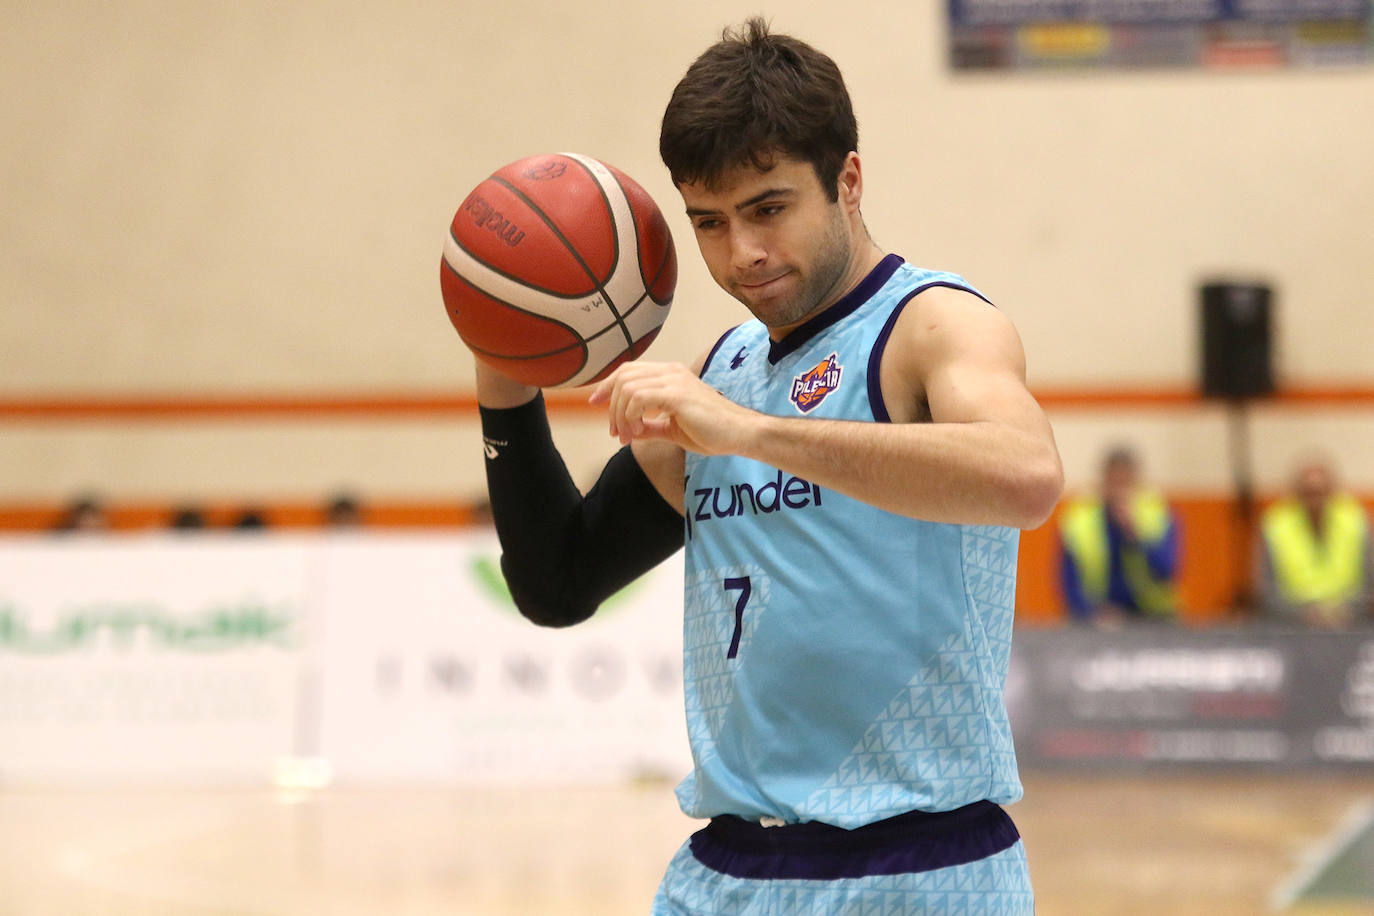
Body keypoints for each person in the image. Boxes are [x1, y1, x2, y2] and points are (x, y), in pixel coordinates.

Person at [472, 18, 1061, 913]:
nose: (740, 252)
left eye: (768, 209)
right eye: (708, 222)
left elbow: (1025, 475)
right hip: (728, 871)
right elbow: (559, 581)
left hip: (922, 868)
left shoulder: (933, 325)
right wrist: (506, 382)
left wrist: (747, 433)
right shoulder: (726, 371)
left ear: (848, 181)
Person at [1057, 445, 1180, 626]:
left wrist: (1135, 535)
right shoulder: (1080, 518)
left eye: (1125, 482)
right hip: (1096, 619)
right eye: (1114, 481)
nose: (1119, 490)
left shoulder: (1157, 513)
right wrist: (1090, 612)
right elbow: (1068, 580)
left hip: (1154, 617)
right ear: (1104, 481)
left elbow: (1167, 570)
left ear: (1136, 481)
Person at [1257, 454, 1372, 627]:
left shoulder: (1356, 521)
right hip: (1291, 626)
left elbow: (1369, 585)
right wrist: (1303, 614)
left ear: (1333, 491)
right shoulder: (1275, 525)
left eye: (1320, 493)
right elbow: (1266, 591)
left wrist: (1343, 611)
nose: (1315, 502)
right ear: (1296, 493)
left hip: (1351, 624)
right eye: (1308, 494)